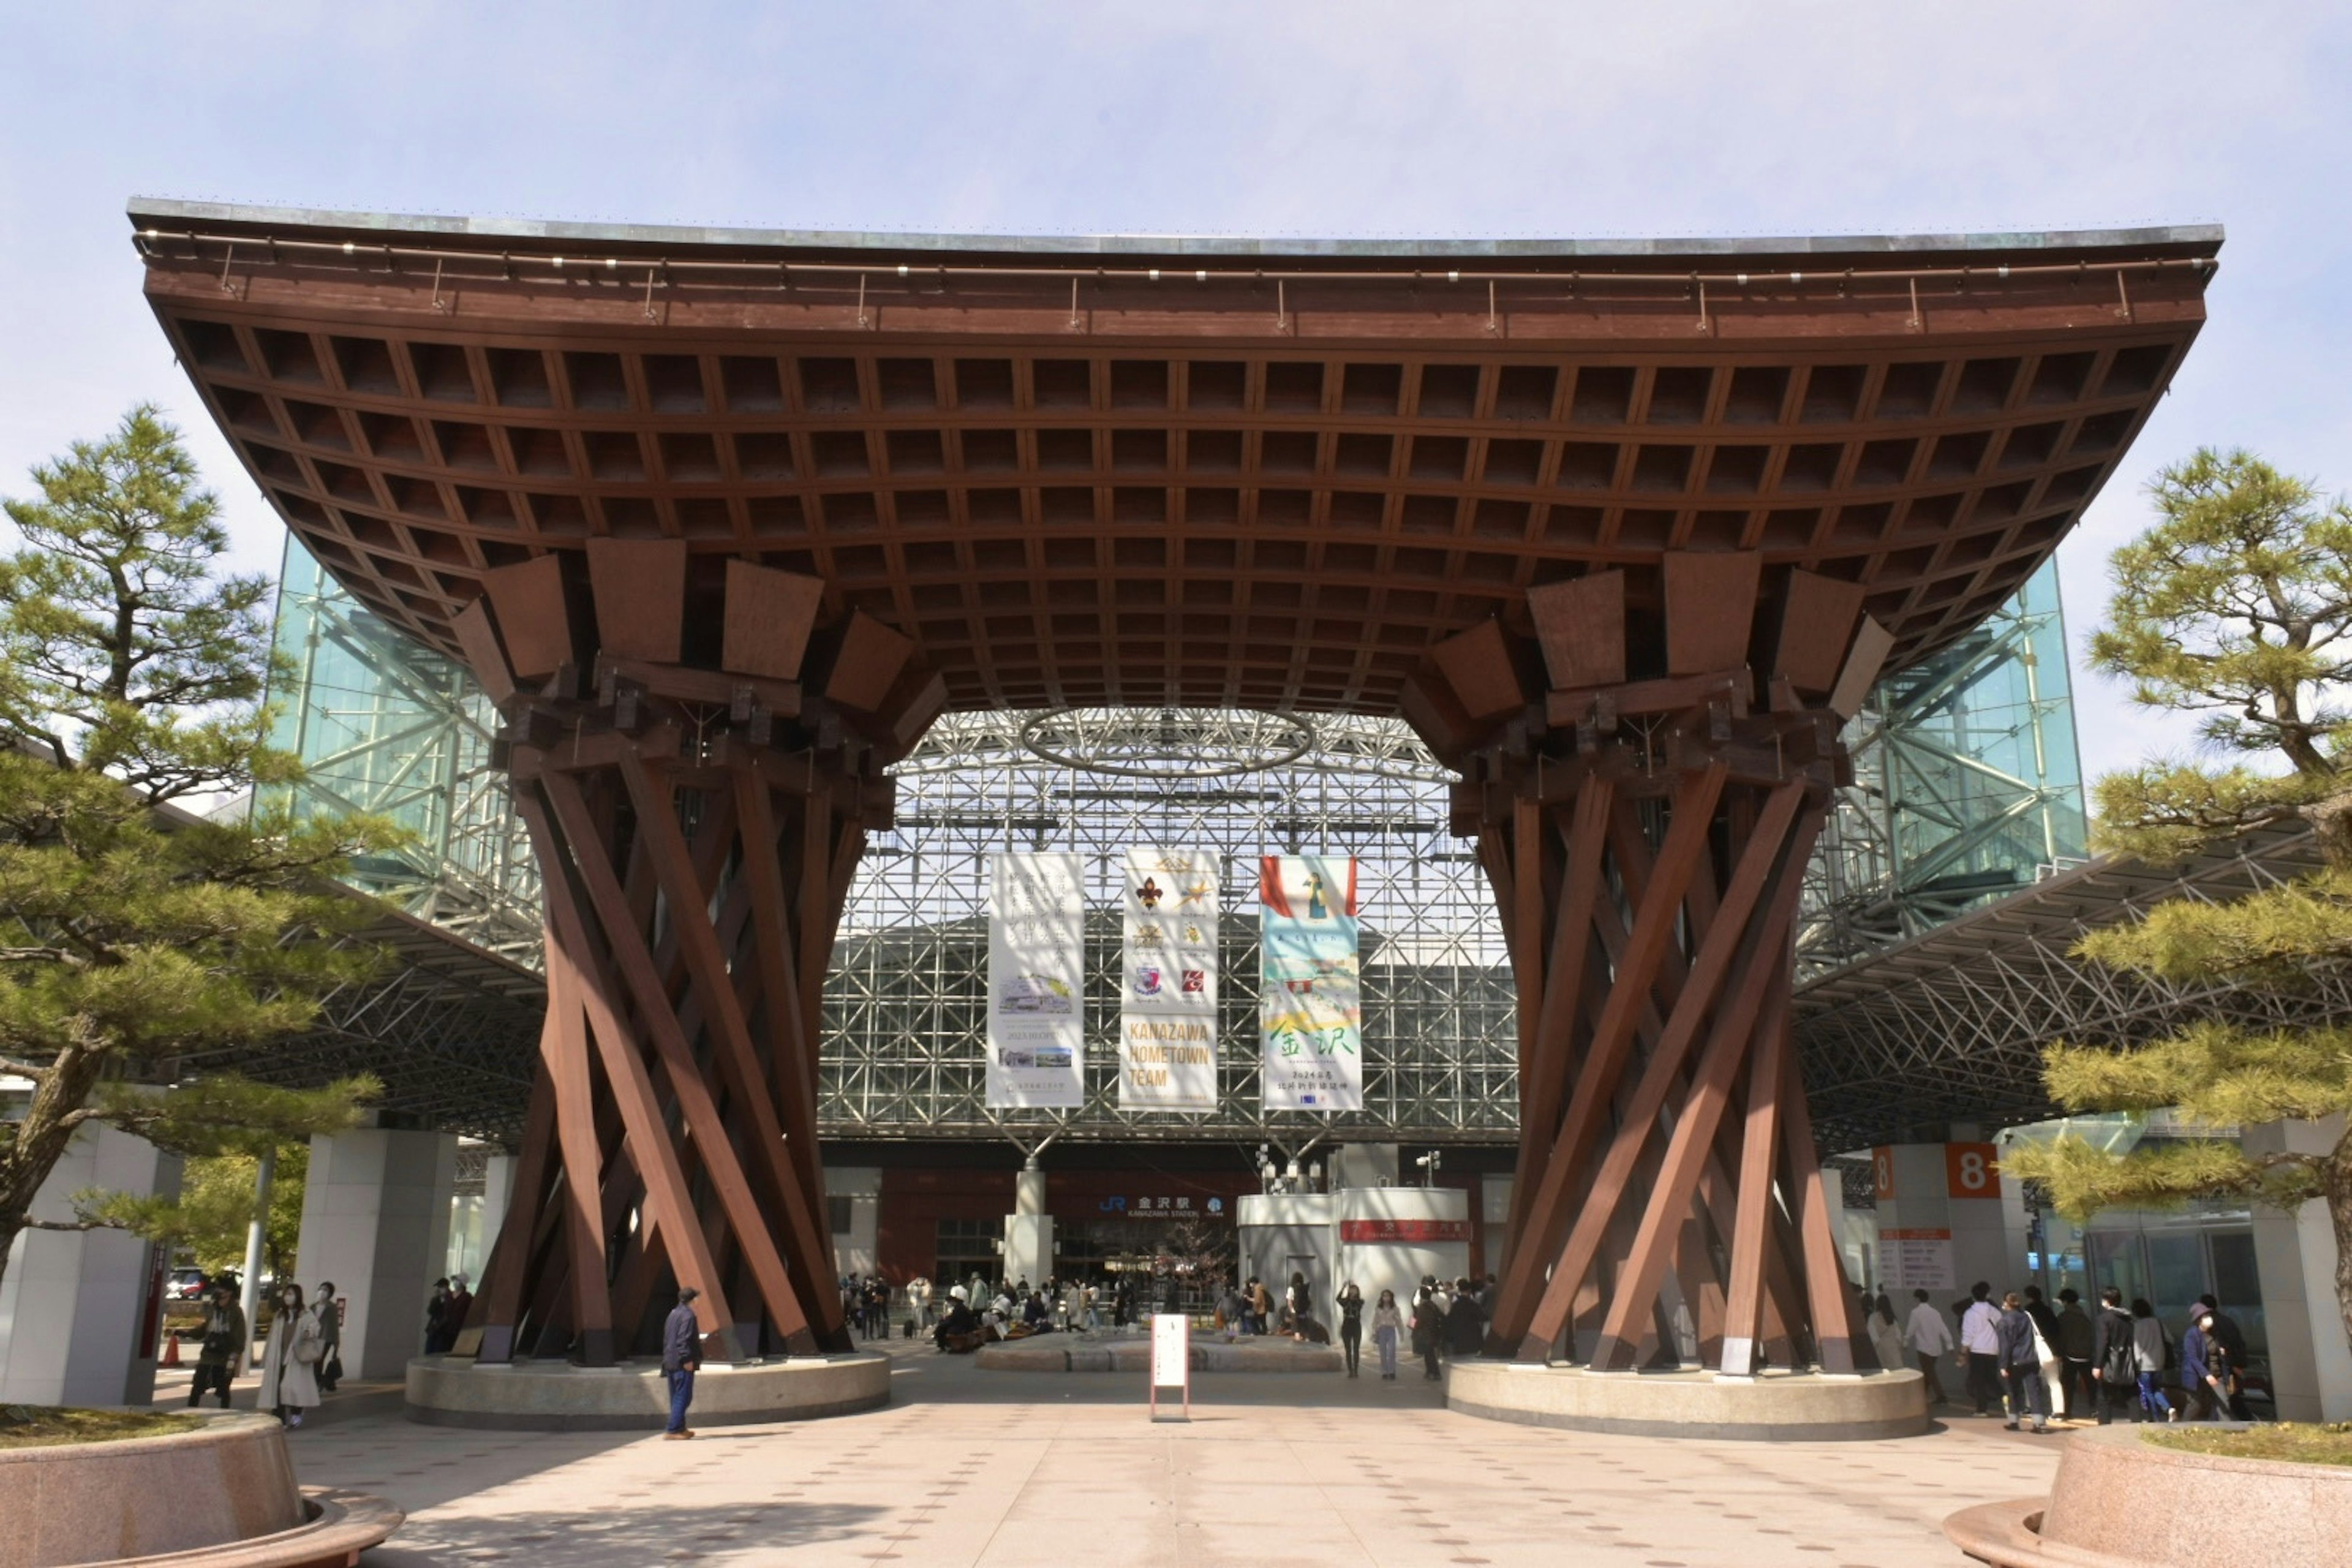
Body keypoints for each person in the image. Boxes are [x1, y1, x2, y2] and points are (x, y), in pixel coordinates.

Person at [258, 1282, 322, 1427]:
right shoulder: (280, 1315)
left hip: (296, 1357)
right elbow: (272, 1338)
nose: (288, 1297)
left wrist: (309, 1332)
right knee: (278, 1388)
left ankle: (297, 1412)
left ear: (298, 1296)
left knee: (293, 1388)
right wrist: (266, 1357)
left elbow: (315, 1327)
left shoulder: (305, 1313)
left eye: (291, 1294)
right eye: (286, 1294)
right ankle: (279, 1419)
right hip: (279, 1357)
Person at [1995, 1291, 2051, 1432]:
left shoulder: (2005, 1321)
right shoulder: (2026, 1317)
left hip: (2014, 1360)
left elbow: (2005, 1345)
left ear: (2007, 1304)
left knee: (2013, 1390)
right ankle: (2038, 1423)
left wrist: (2003, 1364)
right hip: (2031, 1358)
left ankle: (2014, 1421)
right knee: (2034, 1390)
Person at [2195, 1295, 2256, 1419]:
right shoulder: (2227, 1321)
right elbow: (2238, 1343)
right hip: (2233, 1364)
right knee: (2231, 1397)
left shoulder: (2209, 1325)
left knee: (2226, 1399)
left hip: (2222, 1368)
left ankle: (2244, 1421)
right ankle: (2245, 1420)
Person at [187, 1283, 246, 1409]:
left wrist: (235, 1355)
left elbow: (240, 1335)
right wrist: (188, 1333)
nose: (219, 1292)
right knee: (197, 1386)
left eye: (222, 1290)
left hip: (225, 1356)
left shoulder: (235, 1311)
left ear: (229, 1293)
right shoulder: (212, 1309)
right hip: (208, 1354)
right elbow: (205, 1328)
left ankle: (224, 1413)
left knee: (223, 1389)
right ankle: (190, 1412)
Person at [2090, 1287, 2136, 1424]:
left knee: (2104, 1396)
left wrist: (2097, 1365)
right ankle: (2137, 1422)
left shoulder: (2104, 1319)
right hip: (2128, 1360)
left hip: (2110, 1361)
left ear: (2107, 1301)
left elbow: (2102, 1343)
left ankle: (2105, 1426)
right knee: (2132, 1395)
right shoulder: (2128, 1318)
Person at [662, 1287, 702, 1439]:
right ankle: (672, 1430)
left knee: (676, 1396)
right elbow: (683, 1339)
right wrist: (687, 1359)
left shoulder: (673, 1314)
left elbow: (668, 1338)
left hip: (670, 1361)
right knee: (684, 1396)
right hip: (681, 1363)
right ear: (693, 1300)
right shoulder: (688, 1316)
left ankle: (680, 1428)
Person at [1959, 1281, 2004, 1417]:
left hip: (1977, 1351)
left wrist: (1963, 1353)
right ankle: (2010, 1400)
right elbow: (2002, 1329)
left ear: (1973, 1296)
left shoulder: (1970, 1313)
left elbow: (1968, 1336)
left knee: (1979, 1381)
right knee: (1992, 1379)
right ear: (1988, 1295)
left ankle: (1981, 1409)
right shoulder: (1995, 1312)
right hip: (1993, 1350)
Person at [2129, 1298, 2177, 1423]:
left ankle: (2155, 1418)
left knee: (2147, 1391)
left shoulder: (2138, 1326)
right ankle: (2169, 1409)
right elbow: (2170, 1339)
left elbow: (2137, 1346)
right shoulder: (2158, 1323)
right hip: (2159, 1362)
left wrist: (2137, 1362)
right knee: (2156, 1389)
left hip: (2145, 1364)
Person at [1903, 1289, 1953, 1406]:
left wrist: (1906, 1342)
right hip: (1936, 1348)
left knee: (1930, 1373)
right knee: (1928, 1372)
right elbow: (1943, 1329)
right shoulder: (1935, 1312)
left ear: (1917, 1299)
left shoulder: (1916, 1313)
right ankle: (1922, 1395)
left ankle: (1941, 1396)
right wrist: (1949, 1345)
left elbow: (1912, 1329)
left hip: (1923, 1348)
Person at [2053, 1289, 2095, 1421]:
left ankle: (2067, 1412)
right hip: (2086, 1355)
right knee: (2091, 1385)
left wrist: (2059, 1353)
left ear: (2064, 1301)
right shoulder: (2085, 1316)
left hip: (2070, 1356)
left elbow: (2060, 1337)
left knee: (2067, 1385)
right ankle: (2095, 1409)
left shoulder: (2063, 1317)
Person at [2182, 1310, 2231, 1422]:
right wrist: (2207, 1375)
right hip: (2198, 1376)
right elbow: (2193, 1358)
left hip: (2216, 1374)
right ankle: (2182, 1428)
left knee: (2223, 1403)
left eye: (2209, 1316)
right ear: (2198, 1320)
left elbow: (2219, 1351)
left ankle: (2227, 1429)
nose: (2209, 1318)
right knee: (2195, 1405)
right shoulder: (2192, 1334)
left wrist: (2221, 1352)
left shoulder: (2214, 1333)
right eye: (2205, 1316)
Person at [1411, 1275, 1446, 1382]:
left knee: (1429, 1354)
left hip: (1425, 1333)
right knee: (1430, 1353)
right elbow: (1442, 1314)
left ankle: (1433, 1372)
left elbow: (1417, 1317)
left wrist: (1413, 1328)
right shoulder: (1434, 1302)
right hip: (1434, 1331)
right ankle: (1432, 1372)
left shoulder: (1423, 1306)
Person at [1446, 1276, 1487, 1362]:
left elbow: (1449, 1320)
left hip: (1459, 1340)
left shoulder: (1455, 1305)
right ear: (1469, 1290)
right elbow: (1483, 1317)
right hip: (1473, 1339)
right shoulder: (1473, 1304)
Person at [312, 1282, 342, 1395]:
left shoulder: (332, 1308)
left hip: (326, 1339)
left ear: (330, 1293)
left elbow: (334, 1327)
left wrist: (336, 1343)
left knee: (318, 1361)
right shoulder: (313, 1306)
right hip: (313, 1338)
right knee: (314, 1362)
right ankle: (319, 1382)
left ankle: (317, 1383)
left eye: (325, 1290)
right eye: (320, 1289)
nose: (322, 1292)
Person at [1868, 1295, 1907, 1376]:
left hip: (1882, 1351)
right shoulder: (1893, 1318)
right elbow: (1899, 1337)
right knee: (1896, 1376)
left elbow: (1873, 1338)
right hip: (1894, 1352)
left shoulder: (1873, 1318)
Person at [1371, 1288, 1405, 1381]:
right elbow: (1375, 1320)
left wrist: (1401, 1333)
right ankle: (1384, 1372)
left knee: (1391, 1351)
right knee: (1383, 1352)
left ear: (1391, 1297)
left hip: (1391, 1330)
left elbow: (1399, 1321)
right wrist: (1374, 1330)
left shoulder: (1395, 1309)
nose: (1386, 1298)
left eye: (1388, 1296)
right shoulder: (1378, 1309)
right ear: (1382, 1298)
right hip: (1381, 1330)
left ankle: (1392, 1371)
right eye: (1384, 1296)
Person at [933, 1284, 978, 1352]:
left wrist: (943, 1322)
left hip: (960, 1328)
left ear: (953, 1301)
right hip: (966, 1326)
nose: (950, 1304)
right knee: (942, 1327)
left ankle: (942, 1346)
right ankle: (944, 1344)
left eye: (950, 1302)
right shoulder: (961, 1307)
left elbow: (952, 1320)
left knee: (940, 1329)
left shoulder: (958, 1309)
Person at [1335, 1283, 1365, 1378]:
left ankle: (1356, 1370)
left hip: (1356, 1326)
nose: (1353, 1292)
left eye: (1355, 1290)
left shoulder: (1360, 1301)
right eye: (1351, 1290)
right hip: (1346, 1326)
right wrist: (1343, 1288)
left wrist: (1353, 1297)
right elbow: (1338, 1299)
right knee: (1348, 1349)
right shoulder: (1345, 1301)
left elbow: (1358, 1304)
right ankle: (1350, 1370)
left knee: (1356, 1349)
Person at [423, 1278, 454, 1354]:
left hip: (443, 1331)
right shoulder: (436, 1299)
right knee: (429, 1351)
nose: (439, 1289)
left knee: (438, 1351)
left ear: (446, 1287)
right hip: (433, 1329)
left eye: (441, 1287)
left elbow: (449, 1314)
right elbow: (430, 1311)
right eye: (439, 1287)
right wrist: (436, 1299)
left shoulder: (451, 1298)